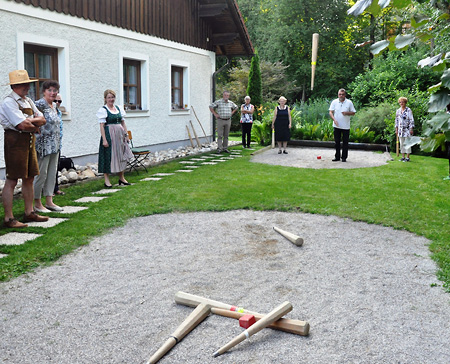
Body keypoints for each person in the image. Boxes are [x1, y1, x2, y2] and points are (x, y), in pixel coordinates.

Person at [0, 70, 49, 228]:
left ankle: (29, 213)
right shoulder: (8, 102)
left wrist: (31, 122)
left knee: (29, 177)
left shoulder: (27, 101)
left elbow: (43, 119)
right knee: (12, 179)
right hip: (14, 142)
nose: (28, 87)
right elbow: (21, 125)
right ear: (16, 85)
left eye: (28, 84)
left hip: (28, 140)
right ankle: (9, 218)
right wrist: (33, 123)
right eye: (24, 84)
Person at [33, 81, 63, 212]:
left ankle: (49, 201)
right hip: (43, 146)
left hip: (55, 145)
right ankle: (37, 203)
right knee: (41, 174)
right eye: (50, 90)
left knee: (52, 173)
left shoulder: (54, 106)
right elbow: (32, 122)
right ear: (44, 91)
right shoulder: (38, 105)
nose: (53, 93)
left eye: (55, 90)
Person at [97, 89, 133, 187]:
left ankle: (122, 178)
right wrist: (104, 139)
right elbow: (102, 126)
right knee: (108, 156)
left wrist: (126, 135)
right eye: (109, 97)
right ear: (105, 98)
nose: (111, 99)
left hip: (120, 135)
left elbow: (123, 123)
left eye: (112, 97)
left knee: (121, 156)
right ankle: (107, 180)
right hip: (109, 135)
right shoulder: (103, 110)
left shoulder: (118, 108)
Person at [329, 89, 356, 162]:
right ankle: (337, 156)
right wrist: (334, 119)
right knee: (337, 142)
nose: (341, 96)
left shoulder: (349, 102)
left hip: (346, 126)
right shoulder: (334, 102)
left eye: (342, 94)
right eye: (339, 94)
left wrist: (347, 113)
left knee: (345, 142)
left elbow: (353, 113)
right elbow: (330, 112)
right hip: (336, 125)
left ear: (345, 95)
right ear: (338, 95)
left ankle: (344, 157)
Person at [395, 97, 414, 162]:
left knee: (407, 143)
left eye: (402, 102)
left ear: (405, 102)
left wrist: (411, 129)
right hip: (400, 130)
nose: (401, 103)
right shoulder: (398, 111)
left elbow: (411, 120)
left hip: (407, 129)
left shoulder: (408, 110)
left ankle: (407, 157)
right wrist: (396, 129)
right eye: (400, 102)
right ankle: (403, 157)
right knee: (402, 143)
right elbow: (396, 120)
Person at [53, 93, 64, 196]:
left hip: (58, 144)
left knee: (56, 167)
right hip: (49, 145)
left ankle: (55, 188)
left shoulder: (59, 112)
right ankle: (48, 190)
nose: (57, 103)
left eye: (59, 101)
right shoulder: (48, 112)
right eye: (55, 101)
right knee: (48, 168)